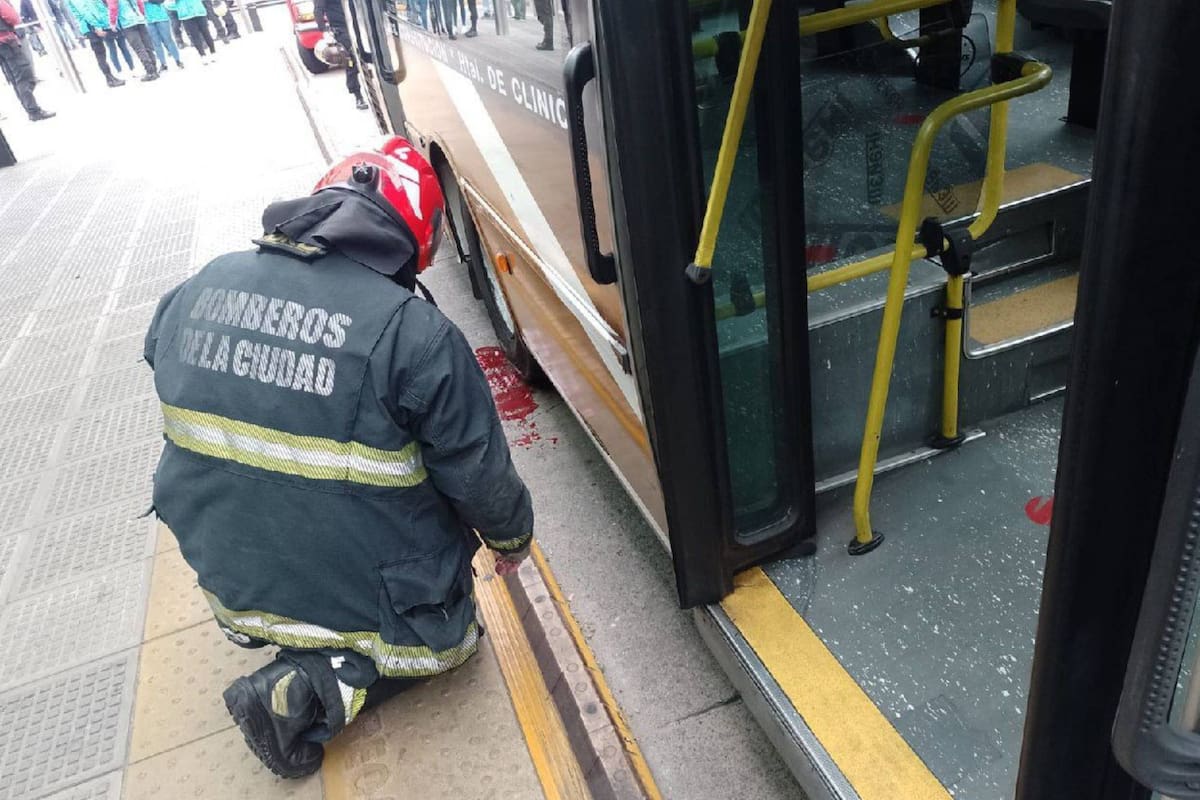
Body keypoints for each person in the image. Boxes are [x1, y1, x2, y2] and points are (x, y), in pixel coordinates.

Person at [143, 137, 535, 778]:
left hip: (231, 586)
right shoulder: (414, 334)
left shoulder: (198, 286)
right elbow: (479, 474)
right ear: (418, 239)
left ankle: (288, 630)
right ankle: (302, 691)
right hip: (356, 586)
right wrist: (511, 540)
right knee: (453, 641)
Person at [0, 0, 54, 119]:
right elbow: (13, 17)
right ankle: (33, 110)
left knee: (14, 78)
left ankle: (29, 108)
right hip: (7, 41)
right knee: (23, 76)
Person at [314, 0, 364, 108]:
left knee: (367, 56)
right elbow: (318, 9)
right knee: (351, 61)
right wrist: (324, 31)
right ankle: (358, 95)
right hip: (341, 30)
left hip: (358, 24)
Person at [64, 0, 124, 86]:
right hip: (90, 27)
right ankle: (109, 78)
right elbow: (85, 11)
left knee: (102, 53)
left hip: (95, 25)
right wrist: (97, 26)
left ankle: (110, 77)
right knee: (100, 54)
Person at [106, 0, 158, 79]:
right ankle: (154, 69)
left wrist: (112, 23)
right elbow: (139, 3)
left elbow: (113, 8)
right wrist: (142, 13)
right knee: (147, 45)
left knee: (139, 48)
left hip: (128, 23)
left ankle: (150, 71)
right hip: (139, 19)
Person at [143, 0, 180, 68]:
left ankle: (178, 60)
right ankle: (163, 64)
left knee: (168, 40)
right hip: (149, 20)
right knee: (156, 43)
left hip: (161, 17)